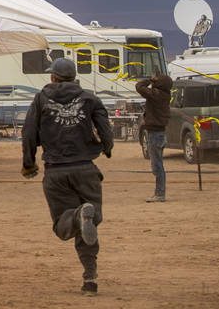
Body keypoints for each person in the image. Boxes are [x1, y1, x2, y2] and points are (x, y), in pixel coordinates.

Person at [22, 57, 114, 297]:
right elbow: (105, 128)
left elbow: (29, 132)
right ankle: (90, 278)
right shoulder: (90, 98)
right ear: (74, 77)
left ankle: (77, 215)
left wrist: (29, 163)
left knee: (64, 225)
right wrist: (107, 147)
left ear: (52, 78)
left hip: (56, 171)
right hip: (86, 168)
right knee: (90, 223)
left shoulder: (41, 99)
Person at [135, 72, 173, 202]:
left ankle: (160, 194)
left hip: (155, 134)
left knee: (157, 166)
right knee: (158, 165)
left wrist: (148, 80)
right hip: (160, 133)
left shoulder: (156, 95)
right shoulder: (165, 95)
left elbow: (139, 87)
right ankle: (160, 193)